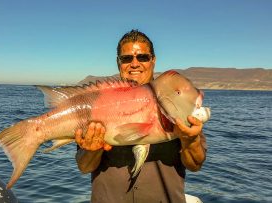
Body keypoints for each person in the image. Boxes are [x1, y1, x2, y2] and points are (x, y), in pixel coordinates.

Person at [75, 29, 207, 203]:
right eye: (126, 58)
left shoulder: (175, 101)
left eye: (142, 57)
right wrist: (93, 149)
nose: (134, 64)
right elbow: (85, 167)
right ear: (118, 63)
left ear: (153, 60)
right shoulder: (100, 103)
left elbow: (195, 165)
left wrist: (190, 139)